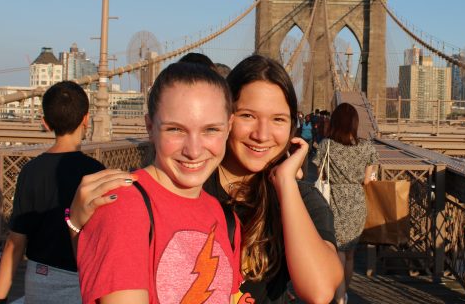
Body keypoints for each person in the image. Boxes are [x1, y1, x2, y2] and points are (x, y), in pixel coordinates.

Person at [69, 55, 342, 304]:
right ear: (230, 120)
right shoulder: (177, 187)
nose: (262, 134)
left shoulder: (291, 202)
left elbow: (319, 291)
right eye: (248, 116)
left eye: (278, 120)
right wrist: (78, 227)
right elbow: (113, 257)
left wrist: (285, 183)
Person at [76, 62, 242, 303]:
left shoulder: (227, 220)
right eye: (176, 130)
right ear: (150, 127)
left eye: (211, 130)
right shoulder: (124, 206)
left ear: (229, 127)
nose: (194, 151)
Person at [0, 81, 105, 304]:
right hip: (85, 279)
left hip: (40, 278)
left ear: (45, 123)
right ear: (86, 119)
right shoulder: (96, 173)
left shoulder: (30, 172)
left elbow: (15, 243)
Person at [311, 103, 378, 304]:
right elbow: (368, 180)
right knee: (349, 254)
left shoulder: (326, 145)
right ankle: (343, 294)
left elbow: (319, 174)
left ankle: (339, 297)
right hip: (357, 201)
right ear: (355, 123)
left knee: (337, 250)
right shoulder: (367, 147)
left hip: (333, 200)